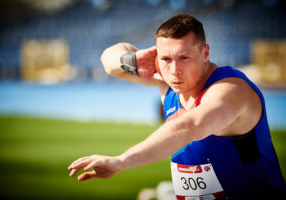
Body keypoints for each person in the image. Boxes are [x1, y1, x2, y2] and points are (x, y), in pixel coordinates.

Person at [68, 14, 285, 199]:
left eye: (184, 57)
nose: (174, 70)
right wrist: (133, 60)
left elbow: (188, 127)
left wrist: (121, 161)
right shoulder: (168, 83)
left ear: (205, 53)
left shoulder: (230, 90)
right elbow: (108, 61)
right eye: (166, 59)